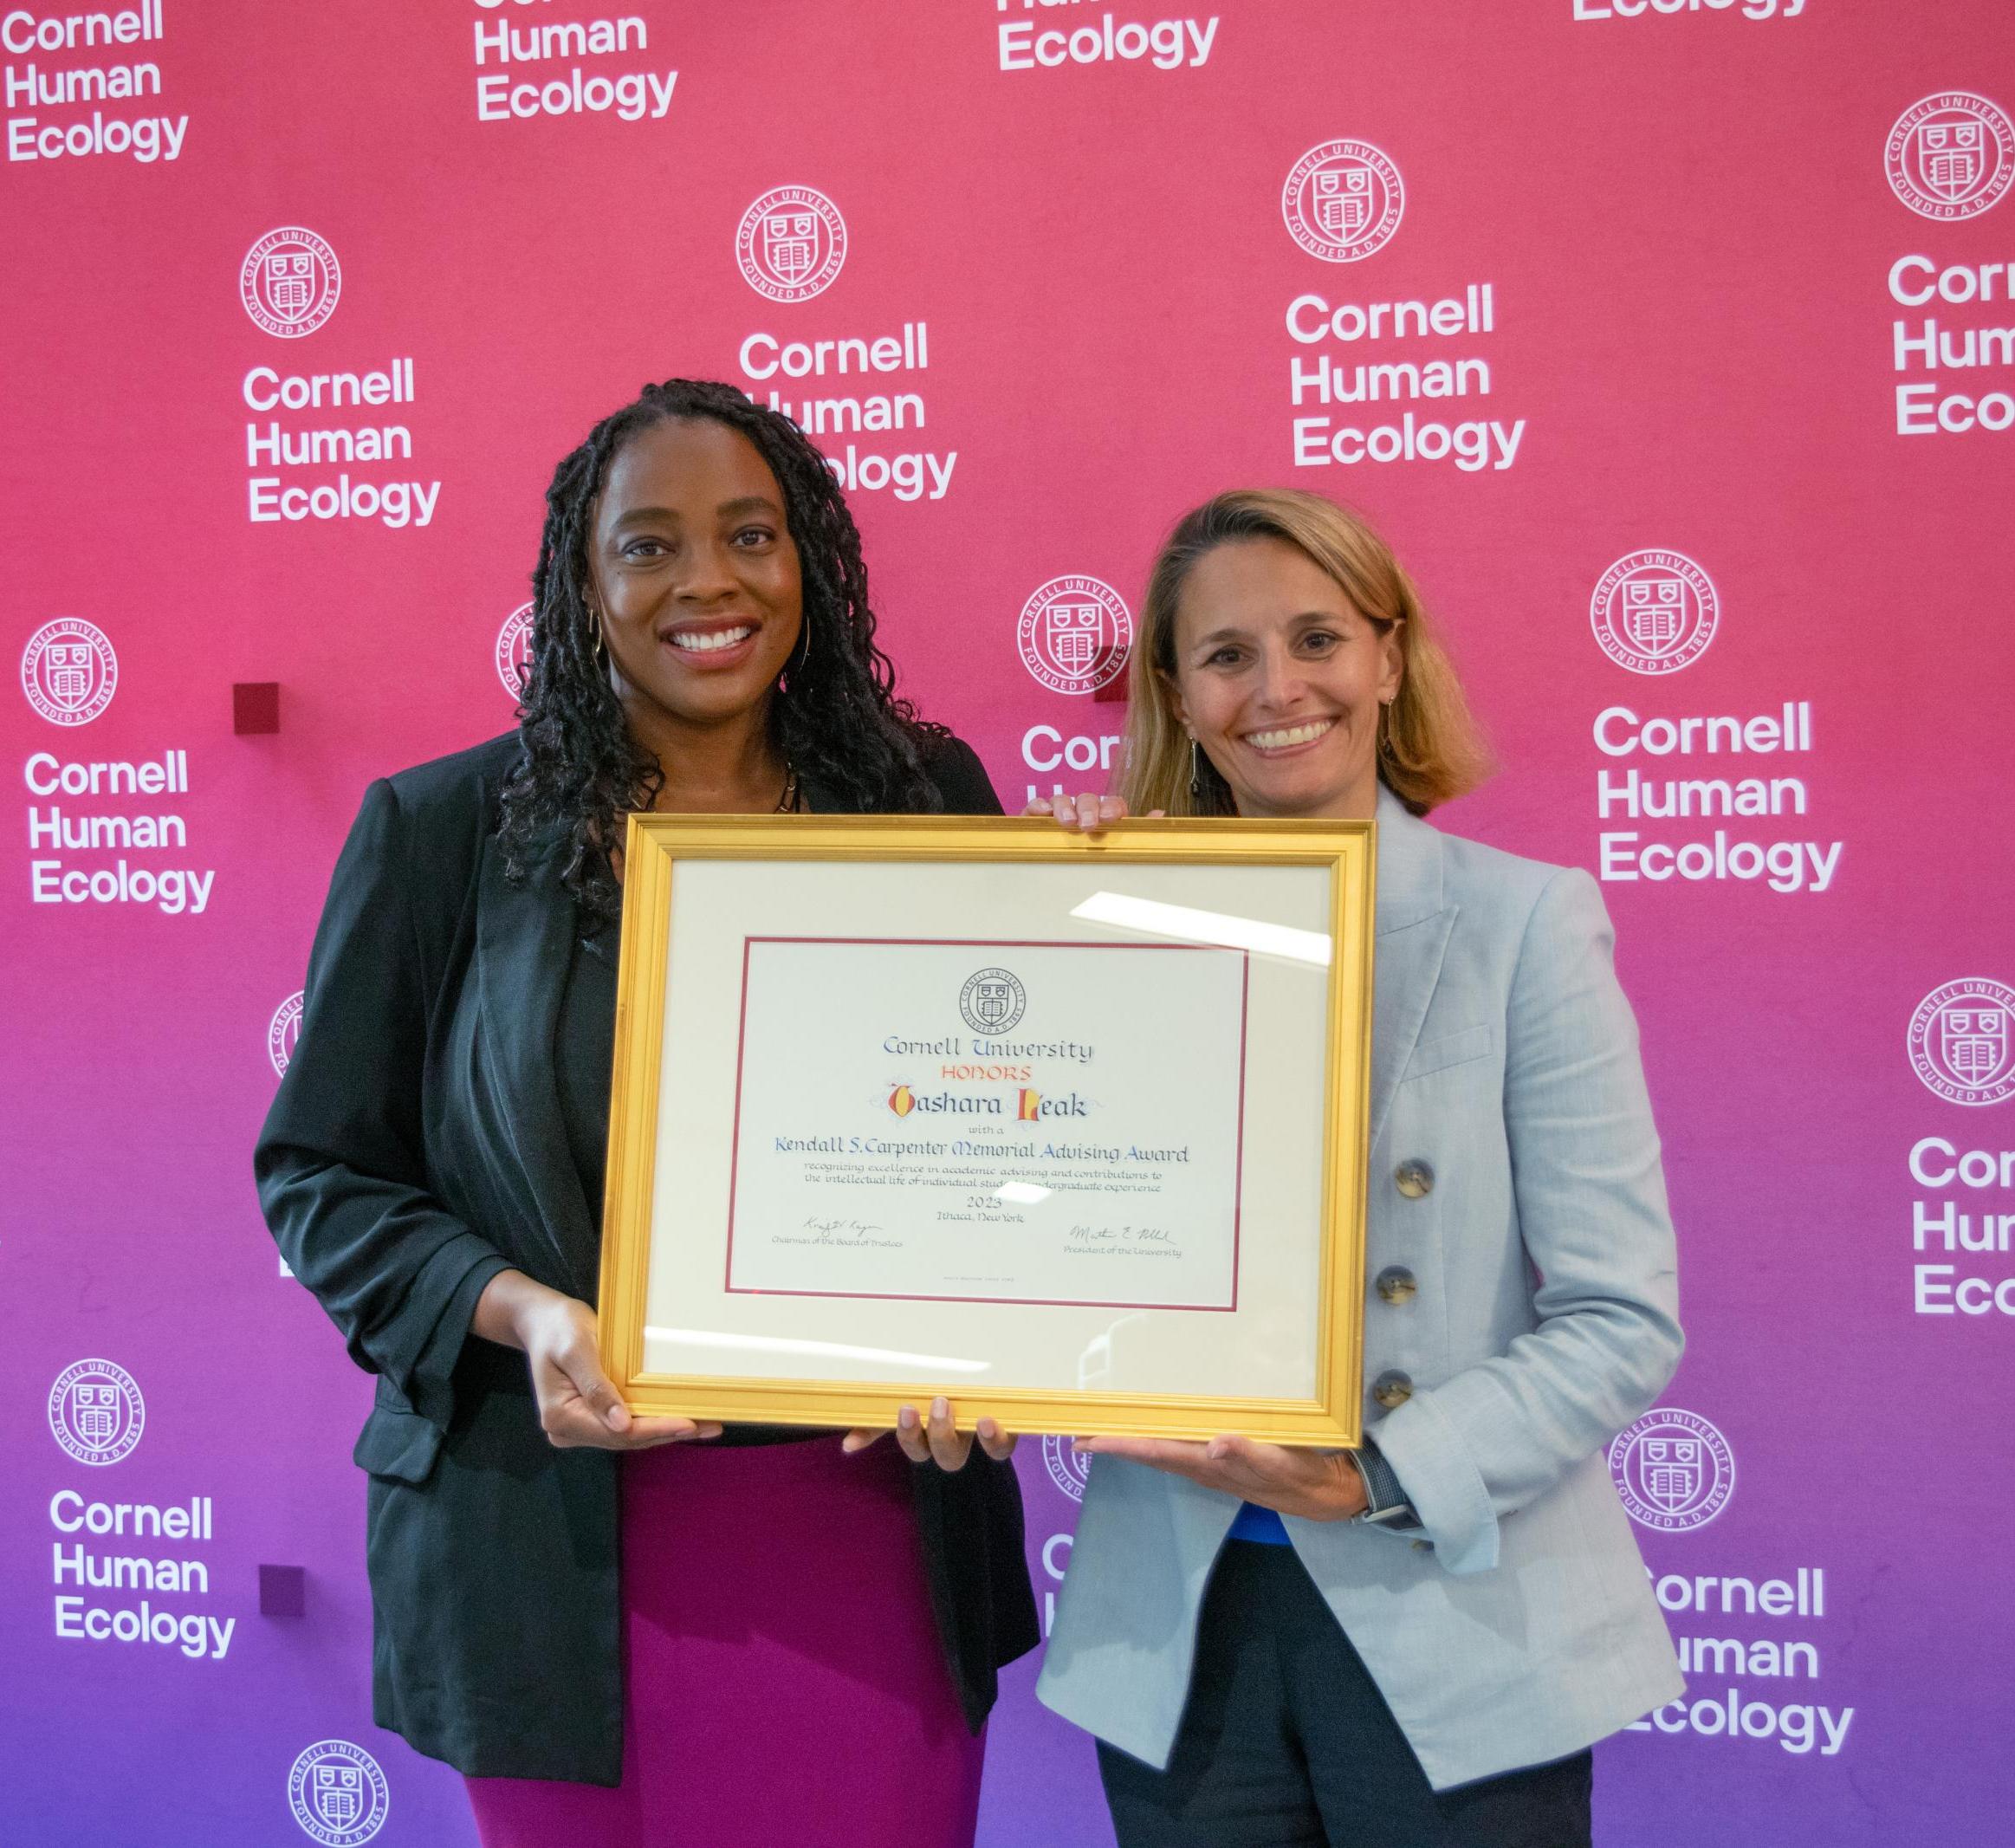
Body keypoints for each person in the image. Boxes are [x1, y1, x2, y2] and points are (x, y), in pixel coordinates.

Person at [255, 379, 1036, 1848]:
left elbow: (1013, 1131)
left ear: (810, 557)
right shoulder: (440, 834)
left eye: (750, 532)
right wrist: (524, 1312)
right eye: (649, 544)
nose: (708, 582)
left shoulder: (930, 799)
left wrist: (1010, 1322)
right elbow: (321, 1174)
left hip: (870, 1534)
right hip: (549, 1559)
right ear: (582, 579)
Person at [1031, 488, 1684, 1847]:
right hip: (1180, 1628)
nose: (1277, 689)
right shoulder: (1100, 921)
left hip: (1452, 1613)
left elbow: (1621, 1319)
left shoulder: (1523, 926)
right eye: (1224, 655)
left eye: (1317, 637)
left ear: (1388, 657)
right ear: (1176, 690)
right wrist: (1046, 932)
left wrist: (1373, 1470)